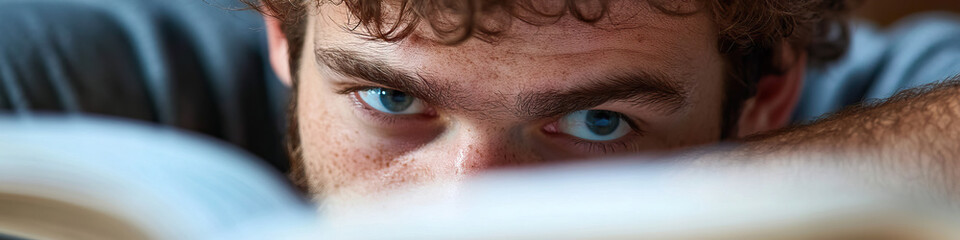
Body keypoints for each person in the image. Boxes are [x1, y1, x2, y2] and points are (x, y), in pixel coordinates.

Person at [241, 0, 960, 206]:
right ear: (281, 31)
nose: (464, 215)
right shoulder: (147, 70)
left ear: (767, 94)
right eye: (390, 98)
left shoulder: (893, 98)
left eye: (599, 122)